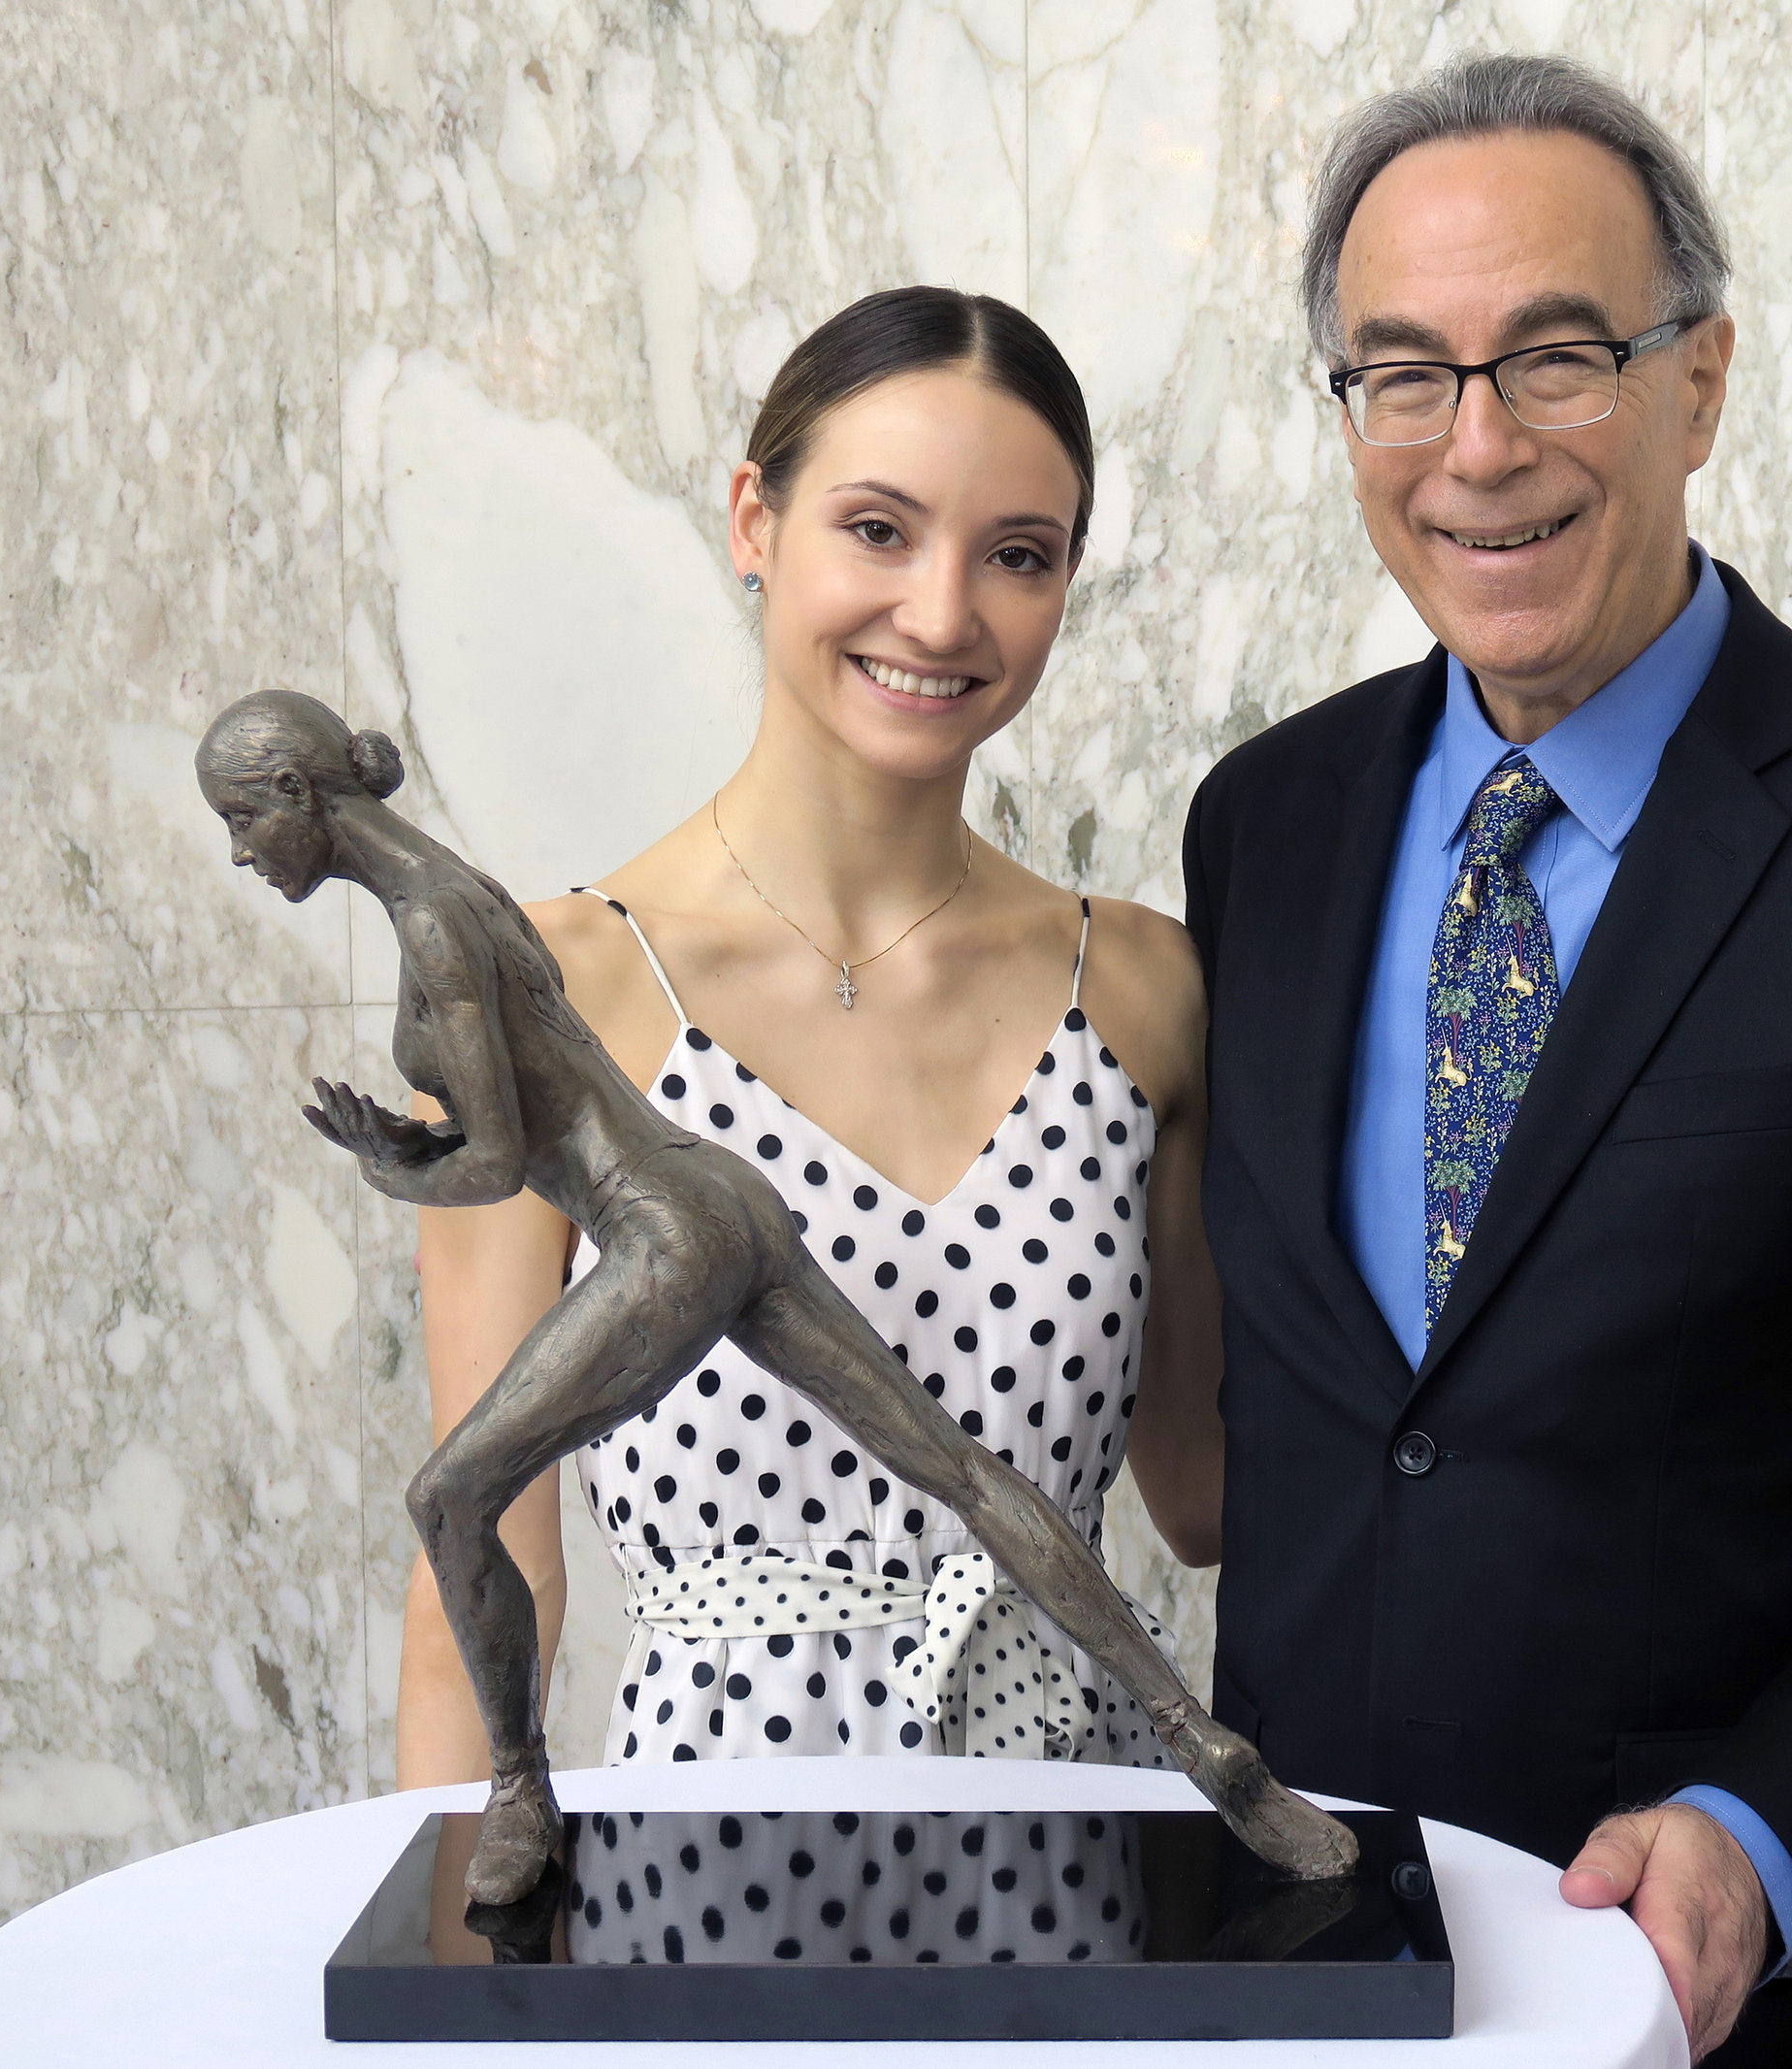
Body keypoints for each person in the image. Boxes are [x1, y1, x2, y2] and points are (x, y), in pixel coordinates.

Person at [1178, 53, 1792, 2064]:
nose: (1475, 447)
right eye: (1401, 373)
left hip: (1761, 2003)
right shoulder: (1260, 826)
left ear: (1696, 382)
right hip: (1305, 1977)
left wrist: (1764, 1833)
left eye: (1553, 355)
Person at [372, 288, 1336, 1890]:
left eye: (1018, 554)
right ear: (755, 518)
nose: (944, 612)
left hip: (1076, 1856)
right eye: (879, 529)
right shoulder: (558, 988)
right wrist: (450, 1984)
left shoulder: (1146, 989)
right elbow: (486, 1559)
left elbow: (1205, 1494)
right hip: (709, 1871)